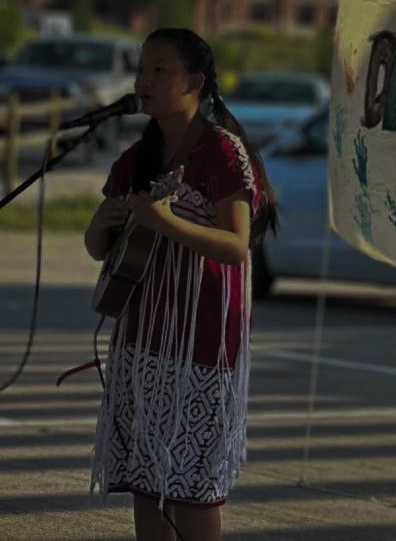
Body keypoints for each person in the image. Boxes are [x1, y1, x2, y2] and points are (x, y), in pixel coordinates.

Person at [83, 27, 279, 541]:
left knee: (192, 485)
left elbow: (236, 245)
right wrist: (102, 222)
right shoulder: (136, 158)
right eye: (142, 69)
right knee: (148, 483)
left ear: (194, 82)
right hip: (142, 337)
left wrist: (164, 222)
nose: (144, 79)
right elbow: (101, 250)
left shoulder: (221, 151)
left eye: (159, 70)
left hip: (202, 339)